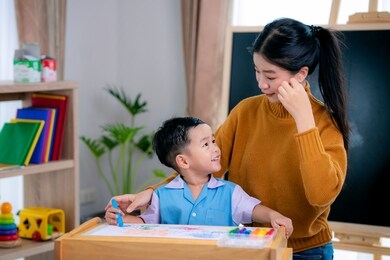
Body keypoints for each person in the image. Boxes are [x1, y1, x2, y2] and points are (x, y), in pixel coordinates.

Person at [105, 17, 349, 260]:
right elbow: (200, 166)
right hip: (250, 245)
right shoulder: (246, 112)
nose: (261, 84)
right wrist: (150, 194)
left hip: (306, 251)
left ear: (301, 74)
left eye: (271, 76)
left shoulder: (325, 122)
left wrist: (304, 120)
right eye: (257, 71)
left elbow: (320, 196)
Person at [107, 116, 293, 237]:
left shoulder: (230, 192)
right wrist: (120, 218)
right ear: (184, 161)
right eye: (206, 145)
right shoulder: (161, 195)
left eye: (213, 141)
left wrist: (273, 215)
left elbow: (254, 209)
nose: (216, 148)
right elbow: (145, 224)